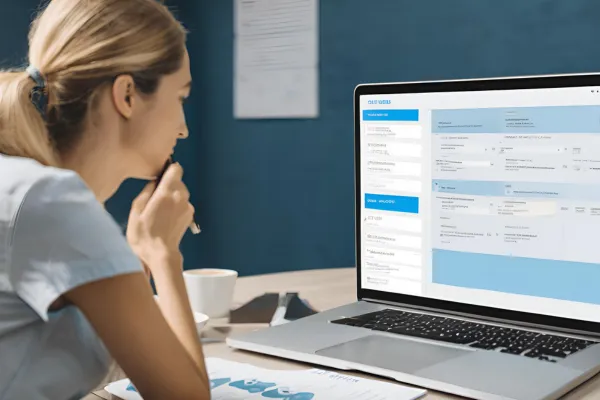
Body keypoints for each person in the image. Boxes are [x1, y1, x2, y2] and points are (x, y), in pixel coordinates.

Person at [0, 0, 211, 399]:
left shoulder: (28, 187)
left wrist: (138, 259)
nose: (183, 128)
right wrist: (163, 253)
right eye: (180, 97)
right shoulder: (54, 203)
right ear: (127, 94)